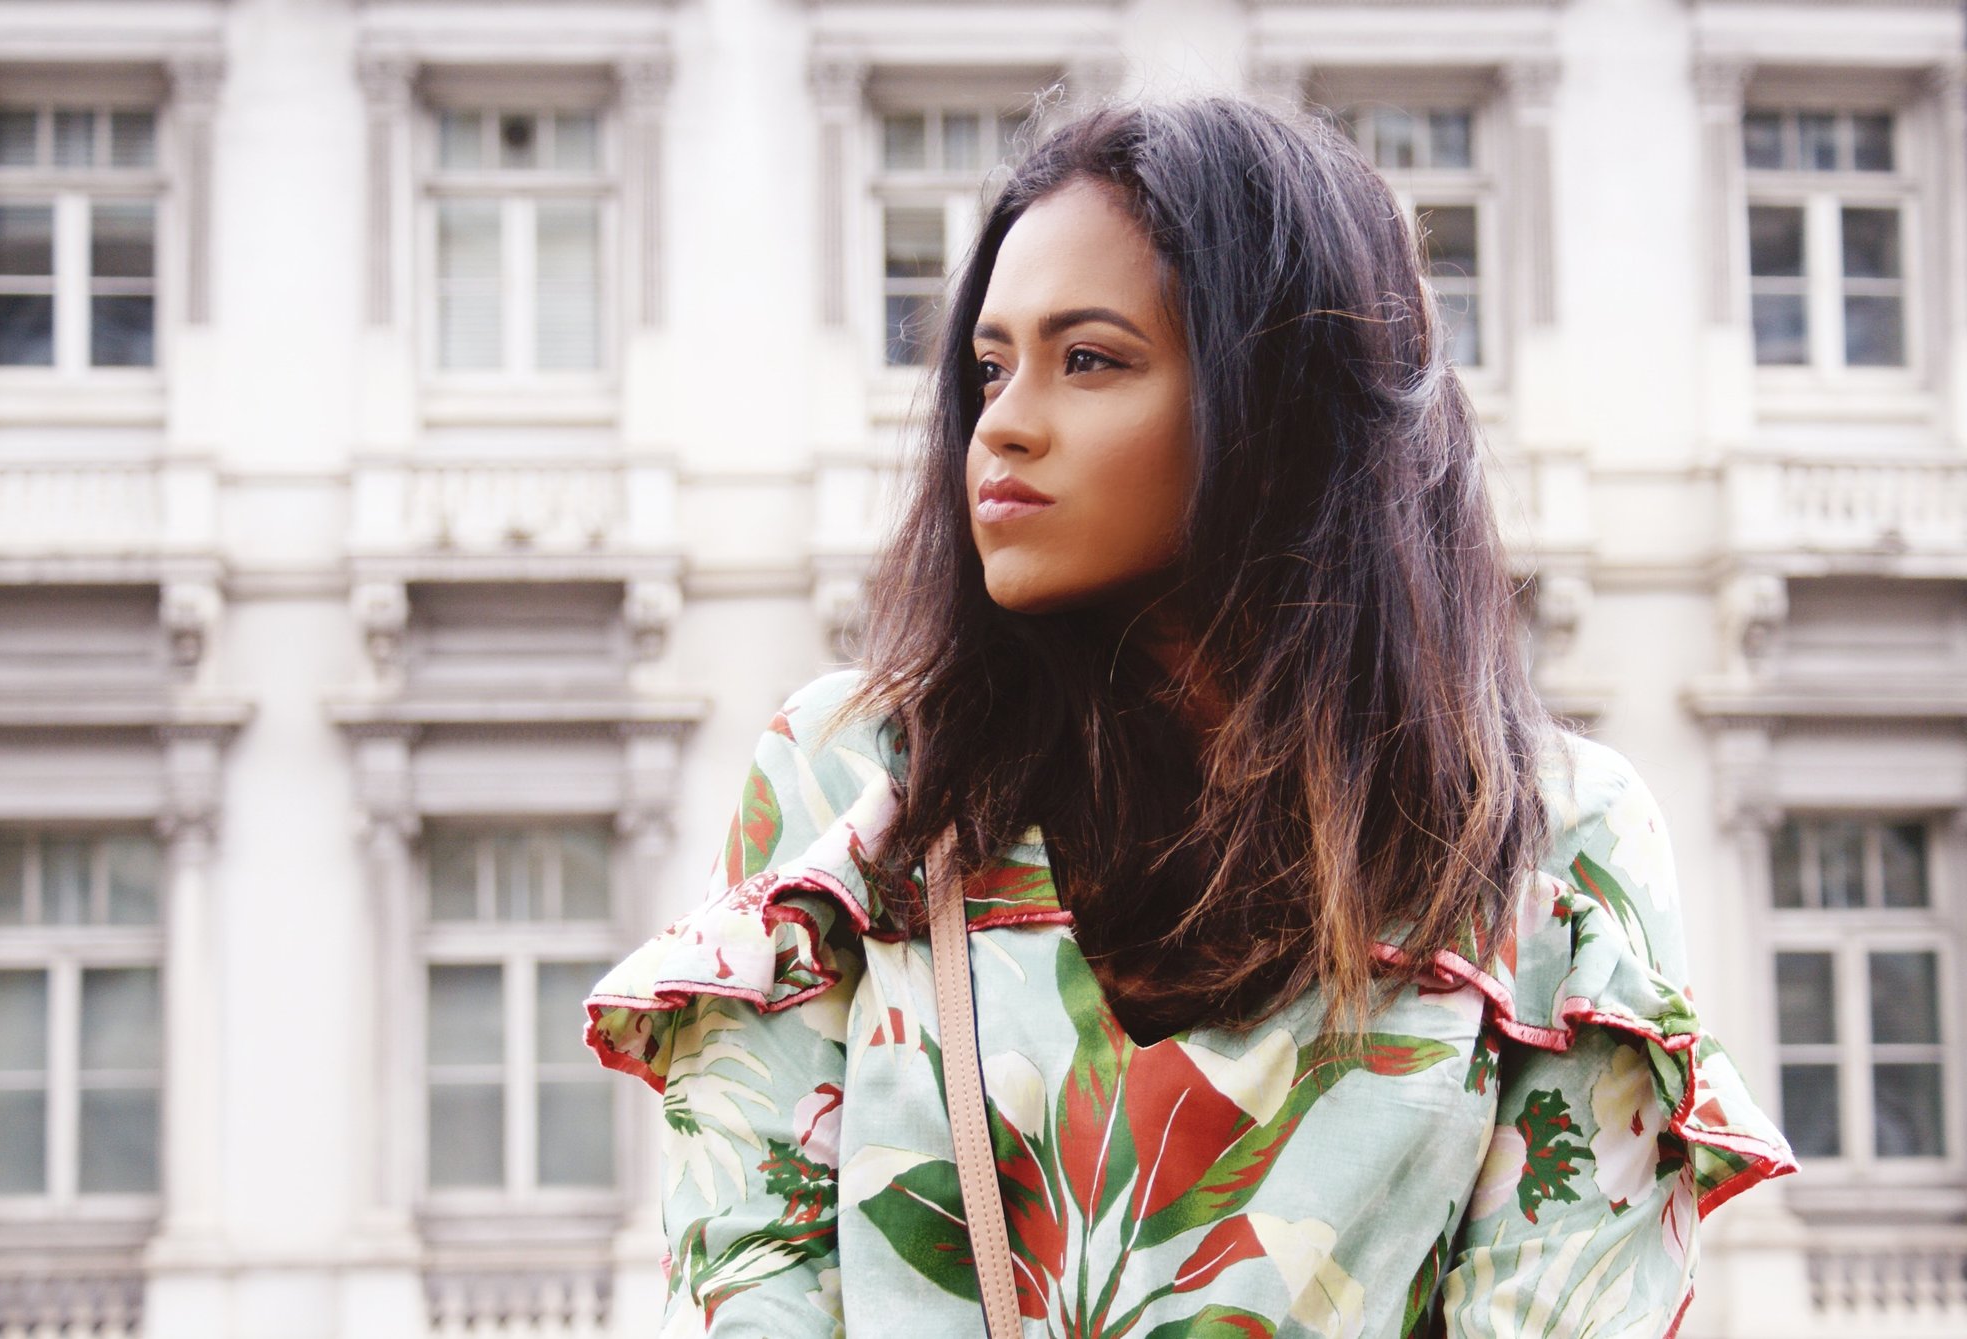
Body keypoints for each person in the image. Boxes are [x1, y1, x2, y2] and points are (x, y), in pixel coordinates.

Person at [583, 95, 1796, 1338]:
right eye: (990, 365)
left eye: (1090, 358)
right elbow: (748, 1289)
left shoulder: (1547, 843)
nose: (1001, 418)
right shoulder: (860, 778)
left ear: (1275, 405)